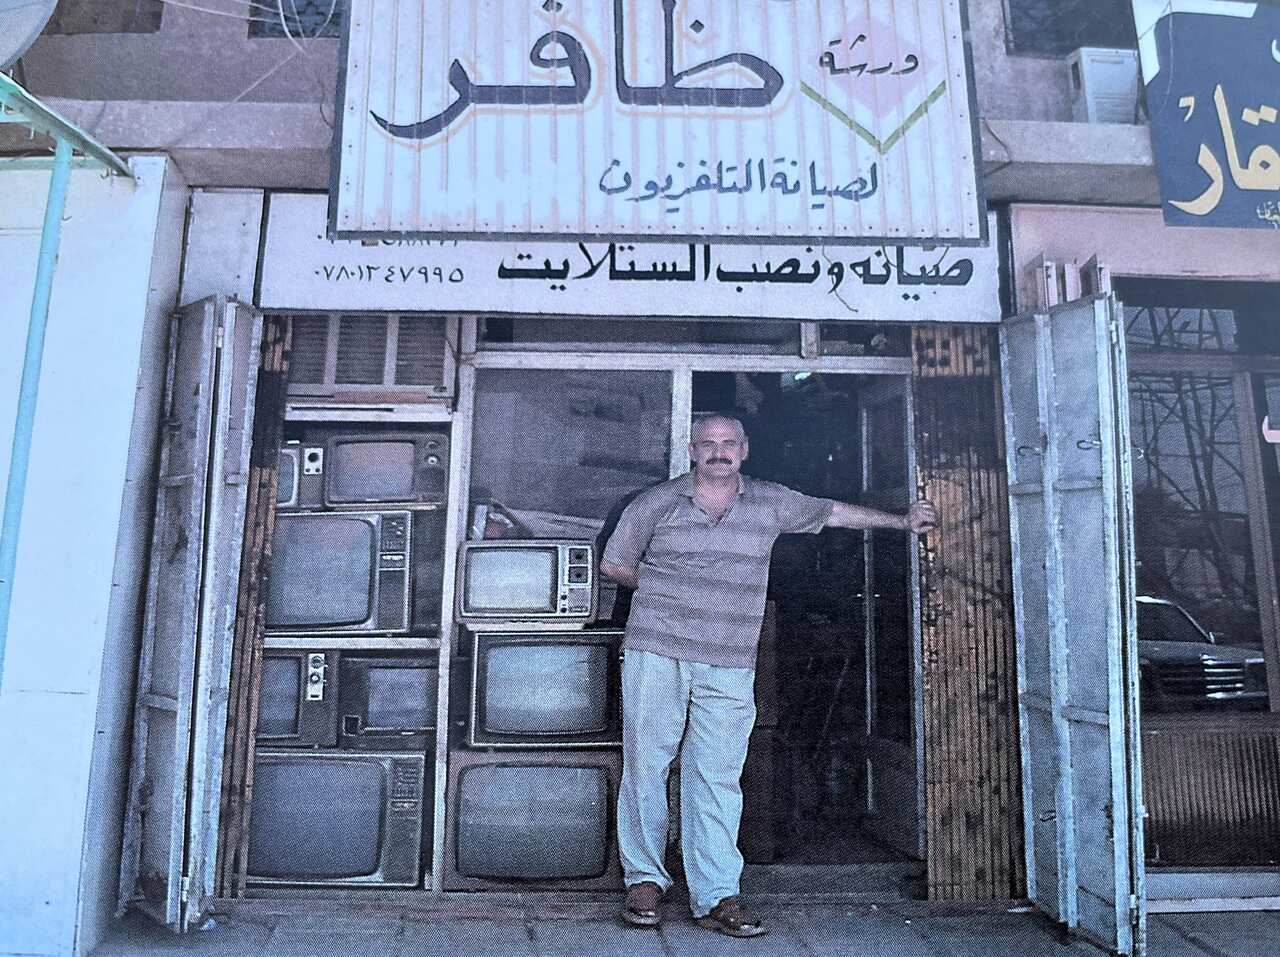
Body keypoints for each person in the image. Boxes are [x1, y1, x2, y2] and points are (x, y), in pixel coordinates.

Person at [600, 414, 937, 938]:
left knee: (717, 774)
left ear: (744, 450)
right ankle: (646, 881)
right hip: (656, 648)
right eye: (708, 444)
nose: (718, 452)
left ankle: (716, 893)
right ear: (692, 451)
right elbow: (614, 564)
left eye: (728, 444)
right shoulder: (656, 503)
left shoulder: (769, 500)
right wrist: (675, 590)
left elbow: (832, 513)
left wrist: (901, 522)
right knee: (648, 763)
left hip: (731, 657)